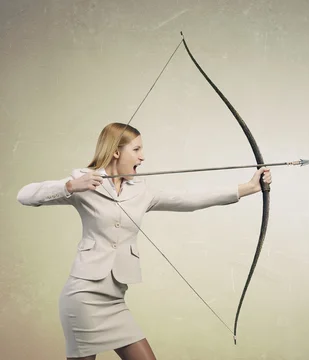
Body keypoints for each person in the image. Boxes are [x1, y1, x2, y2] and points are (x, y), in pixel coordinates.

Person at [16, 122, 272, 360]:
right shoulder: (85, 182)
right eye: (136, 149)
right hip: (82, 297)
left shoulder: (141, 191)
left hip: (115, 299)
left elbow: (189, 200)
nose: (142, 156)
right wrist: (71, 186)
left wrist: (249, 188)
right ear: (116, 152)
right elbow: (25, 196)